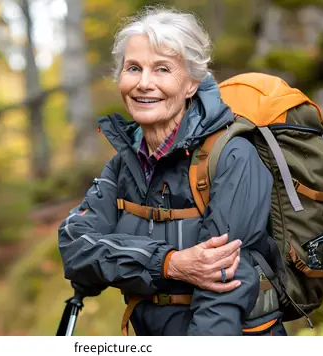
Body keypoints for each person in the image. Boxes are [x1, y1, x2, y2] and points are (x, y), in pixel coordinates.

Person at [58, 6, 286, 336]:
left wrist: (121, 260)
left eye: (162, 69)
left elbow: (222, 289)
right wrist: (169, 263)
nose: (144, 84)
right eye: (133, 68)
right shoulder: (124, 165)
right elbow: (75, 251)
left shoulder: (232, 156)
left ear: (192, 83)